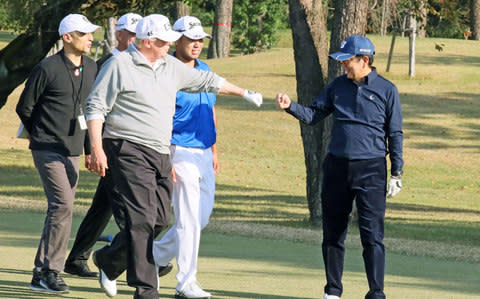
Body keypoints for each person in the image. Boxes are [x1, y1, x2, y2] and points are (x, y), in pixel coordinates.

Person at [85, 14, 262, 299]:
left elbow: (209, 81)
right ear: (147, 42)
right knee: (142, 218)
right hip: (126, 148)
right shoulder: (120, 65)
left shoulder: (170, 67)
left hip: (158, 151)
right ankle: (146, 289)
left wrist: (245, 93)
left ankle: (110, 260)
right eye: (164, 41)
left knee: (159, 219)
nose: (169, 45)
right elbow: (94, 107)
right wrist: (96, 148)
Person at [275, 35, 403, 299]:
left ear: (364, 60)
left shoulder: (387, 90)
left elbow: (395, 133)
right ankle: (333, 291)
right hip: (337, 168)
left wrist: (397, 172)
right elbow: (313, 115)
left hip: (372, 170)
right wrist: (291, 107)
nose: (344, 65)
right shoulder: (337, 87)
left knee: (372, 236)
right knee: (333, 232)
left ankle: (376, 292)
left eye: (348, 61)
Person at [15, 14, 101, 293]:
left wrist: (90, 149)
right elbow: (24, 108)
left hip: (74, 150)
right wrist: (40, 136)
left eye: (91, 33)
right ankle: (52, 270)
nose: (90, 38)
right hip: (47, 148)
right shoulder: (47, 68)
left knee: (60, 210)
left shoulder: (92, 67)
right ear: (67, 37)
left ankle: (40, 273)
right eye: (84, 33)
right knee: (63, 205)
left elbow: (91, 113)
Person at [64, 12, 142, 279]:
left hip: (126, 145)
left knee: (103, 206)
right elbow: (90, 109)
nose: (135, 38)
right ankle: (137, 259)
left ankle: (77, 258)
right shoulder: (106, 63)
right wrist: (91, 147)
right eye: (130, 33)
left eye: (138, 33)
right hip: (109, 146)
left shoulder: (139, 63)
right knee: (124, 206)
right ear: (118, 34)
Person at [151, 16, 219, 299]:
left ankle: (150, 257)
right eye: (191, 39)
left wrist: (215, 150)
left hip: (204, 151)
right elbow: (159, 117)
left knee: (199, 219)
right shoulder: (167, 71)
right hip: (178, 150)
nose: (197, 44)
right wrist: (166, 159)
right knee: (188, 219)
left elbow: (211, 110)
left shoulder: (205, 69)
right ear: (175, 40)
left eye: (200, 39)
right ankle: (186, 283)